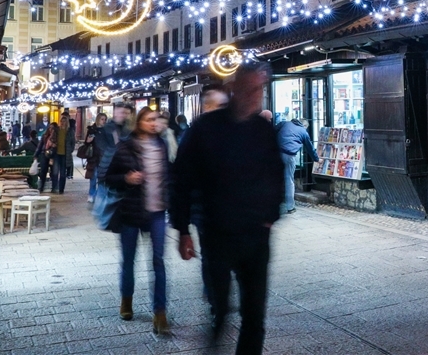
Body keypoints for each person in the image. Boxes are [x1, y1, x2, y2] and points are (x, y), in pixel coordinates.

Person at [171, 61, 283, 354]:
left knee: (254, 313)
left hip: (256, 234)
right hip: (217, 232)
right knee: (219, 308)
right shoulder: (205, 128)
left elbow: (275, 173)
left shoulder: (263, 128)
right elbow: (181, 179)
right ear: (234, 89)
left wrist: (270, 216)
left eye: (259, 89)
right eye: (249, 88)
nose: (254, 95)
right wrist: (182, 229)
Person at [105, 107, 171, 335]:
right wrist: (126, 178)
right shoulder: (125, 146)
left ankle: (160, 312)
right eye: (149, 119)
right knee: (129, 260)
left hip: (157, 213)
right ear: (139, 122)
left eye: (157, 119)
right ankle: (126, 299)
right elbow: (108, 178)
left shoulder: (161, 145)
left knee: (159, 262)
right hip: (130, 213)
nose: (154, 123)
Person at [275, 114, 319, 214]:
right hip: (289, 155)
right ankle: (290, 207)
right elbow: (310, 148)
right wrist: (316, 159)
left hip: (276, 153)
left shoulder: (285, 123)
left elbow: (273, 131)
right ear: (305, 126)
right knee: (289, 180)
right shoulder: (303, 131)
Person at [36, 121, 73, 194]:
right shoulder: (45, 135)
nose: (51, 129)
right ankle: (41, 187)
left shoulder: (57, 135)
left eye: (53, 128)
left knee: (55, 173)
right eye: (50, 128)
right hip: (45, 154)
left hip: (54, 155)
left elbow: (66, 144)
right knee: (44, 172)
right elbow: (40, 146)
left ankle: (55, 187)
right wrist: (36, 155)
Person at [83, 113, 108, 203]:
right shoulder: (92, 130)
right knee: (93, 178)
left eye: (105, 119)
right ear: (98, 119)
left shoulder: (106, 130)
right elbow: (86, 143)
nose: (104, 121)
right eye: (102, 119)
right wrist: (88, 141)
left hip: (104, 158)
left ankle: (100, 196)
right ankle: (91, 194)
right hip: (94, 158)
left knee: (102, 179)